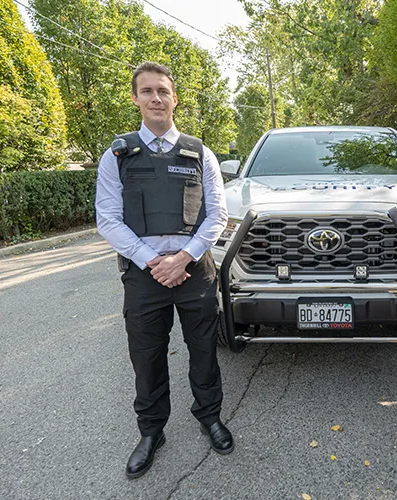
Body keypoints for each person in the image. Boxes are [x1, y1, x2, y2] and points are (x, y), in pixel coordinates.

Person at [95, 61, 232, 479]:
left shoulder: (200, 152)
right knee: (147, 356)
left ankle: (210, 417)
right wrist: (152, 261)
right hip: (145, 274)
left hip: (194, 270)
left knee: (204, 351)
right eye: (147, 91)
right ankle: (152, 432)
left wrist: (183, 257)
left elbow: (218, 214)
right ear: (135, 98)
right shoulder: (117, 155)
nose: (156, 98)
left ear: (174, 99)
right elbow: (107, 219)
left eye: (163, 91)